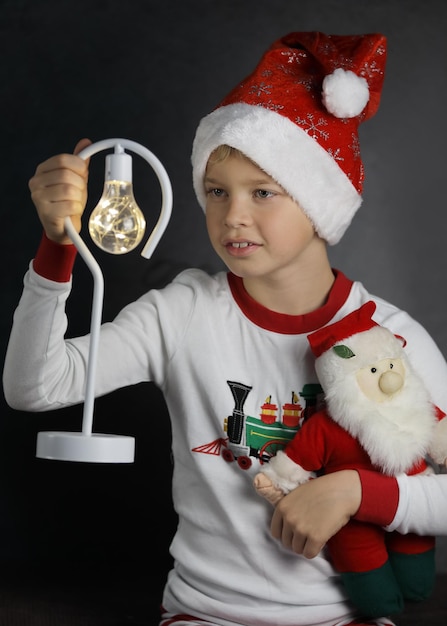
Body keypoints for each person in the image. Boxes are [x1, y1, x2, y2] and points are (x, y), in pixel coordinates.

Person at [3, 30, 447, 626]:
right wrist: (58, 248)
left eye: (263, 192)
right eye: (217, 192)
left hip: (351, 615)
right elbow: (34, 387)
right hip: (205, 615)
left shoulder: (390, 336)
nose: (232, 215)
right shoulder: (183, 312)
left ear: (320, 203)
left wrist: (355, 492)